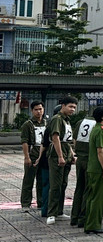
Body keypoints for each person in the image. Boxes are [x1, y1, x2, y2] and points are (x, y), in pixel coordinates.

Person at [46, 95, 77, 225]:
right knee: (55, 185)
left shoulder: (67, 120)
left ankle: (59, 210)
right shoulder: (57, 119)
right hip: (57, 156)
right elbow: (56, 138)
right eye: (70, 106)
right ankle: (51, 213)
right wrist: (60, 156)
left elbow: (67, 140)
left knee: (63, 184)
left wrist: (71, 154)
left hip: (66, 155)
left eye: (74, 107)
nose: (72, 109)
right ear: (63, 106)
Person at [83, 105, 103, 235]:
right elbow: (100, 151)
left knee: (92, 197)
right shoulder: (100, 131)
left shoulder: (98, 129)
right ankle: (94, 224)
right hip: (99, 169)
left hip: (94, 168)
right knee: (98, 198)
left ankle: (90, 223)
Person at [19, 100, 46, 213]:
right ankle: (26, 203)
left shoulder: (46, 123)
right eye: (36, 110)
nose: (39, 112)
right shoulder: (28, 124)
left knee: (42, 180)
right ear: (32, 111)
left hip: (43, 156)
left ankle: (41, 202)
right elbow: (25, 141)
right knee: (28, 180)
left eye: (40, 109)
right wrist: (27, 157)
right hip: (32, 154)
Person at [70, 114, 96, 228]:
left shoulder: (81, 122)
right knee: (88, 189)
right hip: (90, 159)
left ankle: (74, 217)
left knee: (79, 188)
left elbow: (74, 140)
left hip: (80, 158)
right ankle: (83, 217)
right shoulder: (97, 125)